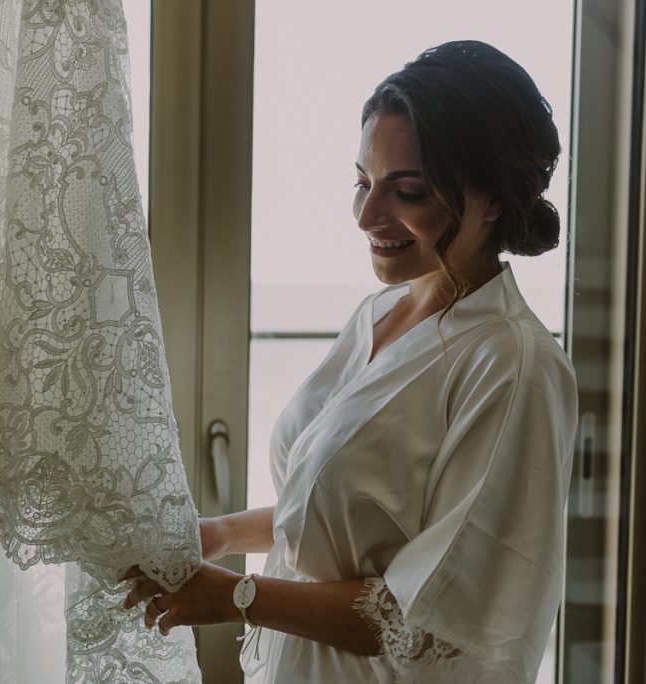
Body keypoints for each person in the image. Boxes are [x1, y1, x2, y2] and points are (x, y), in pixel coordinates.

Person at [122, 40, 578, 683]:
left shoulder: (513, 366)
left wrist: (235, 596)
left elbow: (426, 617)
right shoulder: (378, 314)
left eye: (408, 191)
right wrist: (223, 533)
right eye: (363, 183)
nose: (368, 216)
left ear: (494, 200)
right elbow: (344, 518)